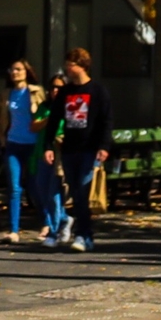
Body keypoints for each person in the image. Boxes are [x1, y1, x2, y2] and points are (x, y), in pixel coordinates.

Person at [43, 47, 110, 252]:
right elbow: (54, 120)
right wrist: (48, 145)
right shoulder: (65, 92)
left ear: (81, 66)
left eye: (70, 65)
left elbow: (106, 120)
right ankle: (85, 234)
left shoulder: (97, 91)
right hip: (70, 149)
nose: (67, 69)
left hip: (89, 149)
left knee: (83, 191)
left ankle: (82, 235)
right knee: (74, 191)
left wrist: (104, 146)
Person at [0, 58, 45, 245]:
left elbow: (45, 114)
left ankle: (47, 224)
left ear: (27, 72)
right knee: (14, 188)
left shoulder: (36, 92)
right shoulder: (6, 94)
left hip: (33, 145)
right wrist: (2, 138)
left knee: (35, 186)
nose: (14, 72)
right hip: (13, 144)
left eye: (18, 69)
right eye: (12, 69)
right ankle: (13, 230)